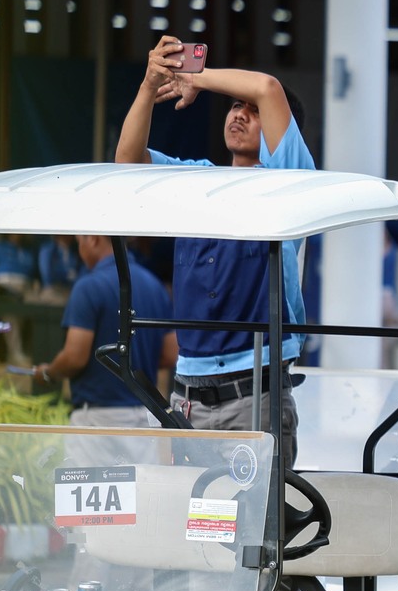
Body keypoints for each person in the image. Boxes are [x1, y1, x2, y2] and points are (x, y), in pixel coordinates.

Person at [114, 36, 314, 463]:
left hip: (256, 393)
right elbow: (126, 164)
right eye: (235, 107)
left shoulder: (289, 182)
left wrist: (196, 78)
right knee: (192, 509)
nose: (239, 114)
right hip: (188, 397)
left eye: (252, 112)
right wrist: (150, 85)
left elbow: (268, 88)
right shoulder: (195, 181)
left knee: (259, 510)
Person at [35, 235, 177, 431]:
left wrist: (49, 372)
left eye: (80, 242)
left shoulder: (88, 287)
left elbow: (75, 358)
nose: (79, 249)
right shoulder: (154, 285)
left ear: (93, 239)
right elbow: (170, 354)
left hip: (98, 419)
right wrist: (138, 357)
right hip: (146, 415)